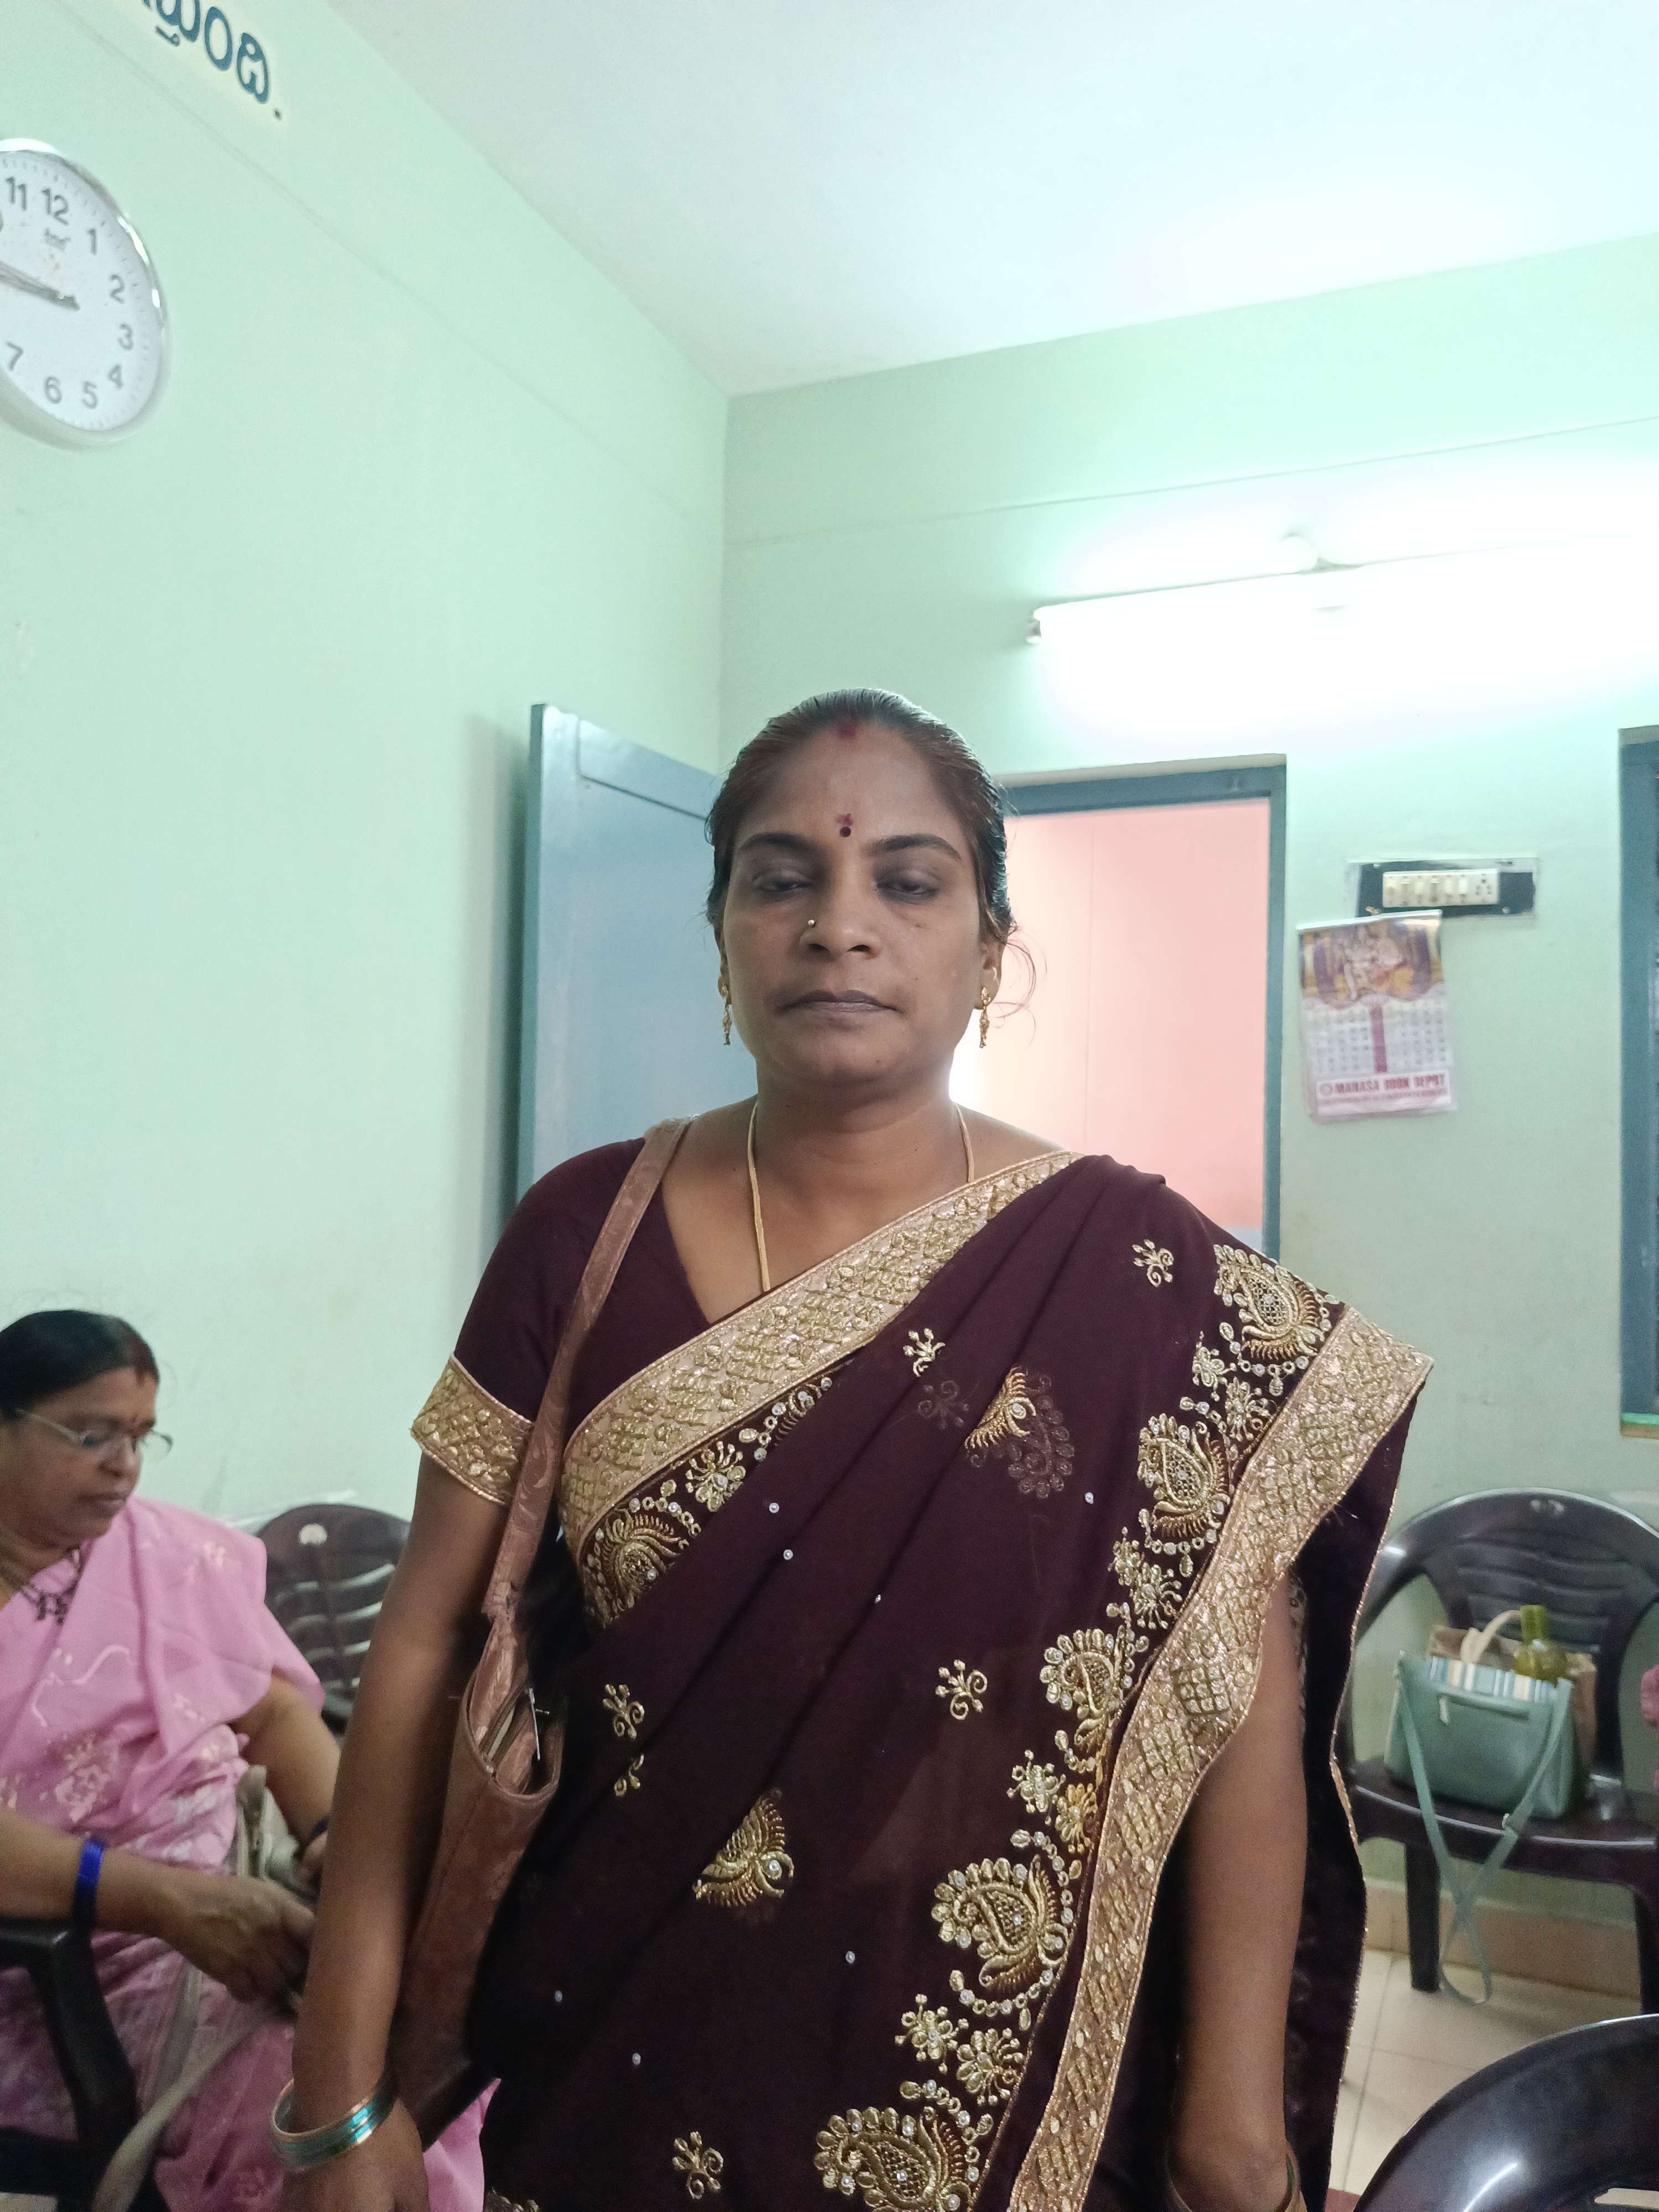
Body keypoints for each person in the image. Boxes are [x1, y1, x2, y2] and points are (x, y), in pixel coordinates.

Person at [286, 690, 1430, 2212]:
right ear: (720, 939)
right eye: (783, 878)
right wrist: (338, 2095)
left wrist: (1234, 2137)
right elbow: (428, 1641)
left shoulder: (1135, 1274)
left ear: (991, 951)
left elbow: (1242, 1693)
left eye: (908, 880)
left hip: (995, 2088)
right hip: (625, 2059)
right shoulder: (583, 1236)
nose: (840, 925)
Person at [0, 1308, 485, 2212]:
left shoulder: (165, 1556)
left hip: (237, 1909)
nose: (123, 1466)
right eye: (92, 1435)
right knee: (306, 2089)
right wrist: (170, 1904)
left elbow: (268, 1710)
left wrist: (335, 1838)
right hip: (54, 1966)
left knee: (424, 2041)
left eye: (142, 1437)